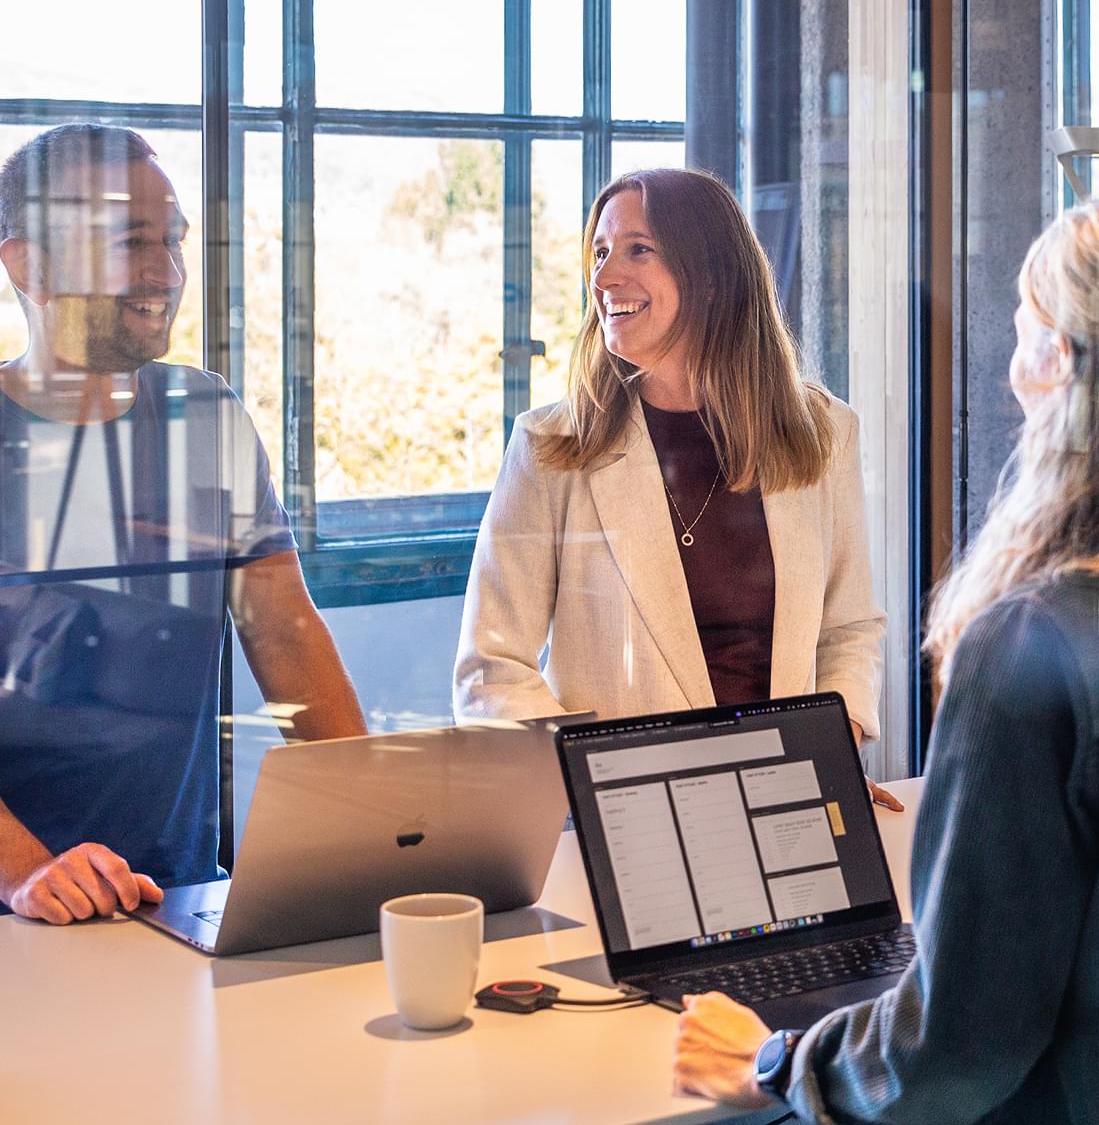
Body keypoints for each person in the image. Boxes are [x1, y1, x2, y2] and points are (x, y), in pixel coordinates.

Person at [672, 179, 1099, 1122]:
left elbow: (960, 1045)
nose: (1013, 366)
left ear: (1061, 360)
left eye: (1024, 329)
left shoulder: (1038, 642)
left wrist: (775, 1063)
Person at [0, 124, 367, 925]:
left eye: (173, 242)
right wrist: (26, 873)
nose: (165, 273)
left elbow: (285, 632)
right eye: (132, 242)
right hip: (18, 916)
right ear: (28, 263)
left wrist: (379, 821)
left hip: (178, 898)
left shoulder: (207, 414)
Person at [454, 167, 900, 810]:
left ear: (713, 273)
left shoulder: (824, 431)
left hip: (786, 801)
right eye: (601, 252)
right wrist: (596, 784)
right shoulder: (551, 447)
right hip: (624, 819)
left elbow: (849, 626)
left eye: (639, 248)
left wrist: (830, 755)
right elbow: (491, 667)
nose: (605, 278)